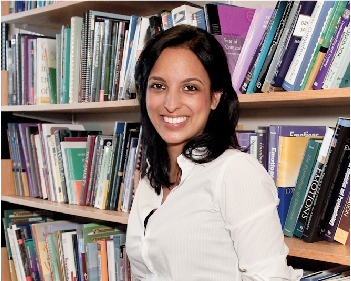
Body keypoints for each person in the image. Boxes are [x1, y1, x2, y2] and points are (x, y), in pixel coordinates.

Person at [126, 25, 302, 281]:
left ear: (215, 97)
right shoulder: (149, 180)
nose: (171, 104)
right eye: (158, 86)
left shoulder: (235, 172)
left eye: (190, 88)